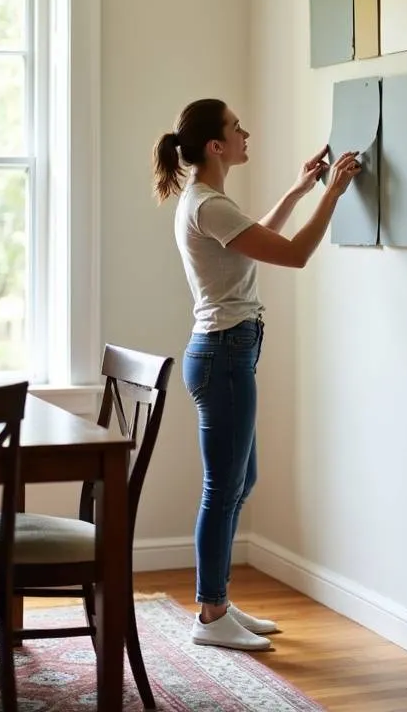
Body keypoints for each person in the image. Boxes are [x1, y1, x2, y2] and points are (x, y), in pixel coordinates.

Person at [152, 98, 360, 651]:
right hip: (223, 353)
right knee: (223, 488)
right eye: (236, 128)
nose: (248, 133)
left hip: (228, 351)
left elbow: (254, 242)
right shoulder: (207, 204)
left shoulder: (210, 201)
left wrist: (299, 190)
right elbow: (291, 255)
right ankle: (210, 614)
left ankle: (216, 601)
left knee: (240, 482)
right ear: (216, 146)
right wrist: (334, 194)